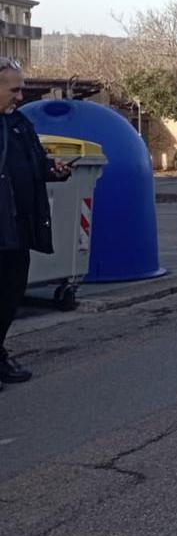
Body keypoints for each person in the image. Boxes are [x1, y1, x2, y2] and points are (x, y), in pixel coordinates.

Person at [0, 58, 73, 388]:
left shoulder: (19, 124)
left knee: (10, 294)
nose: (19, 97)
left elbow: (35, 163)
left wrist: (52, 170)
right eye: (14, 89)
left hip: (16, 229)